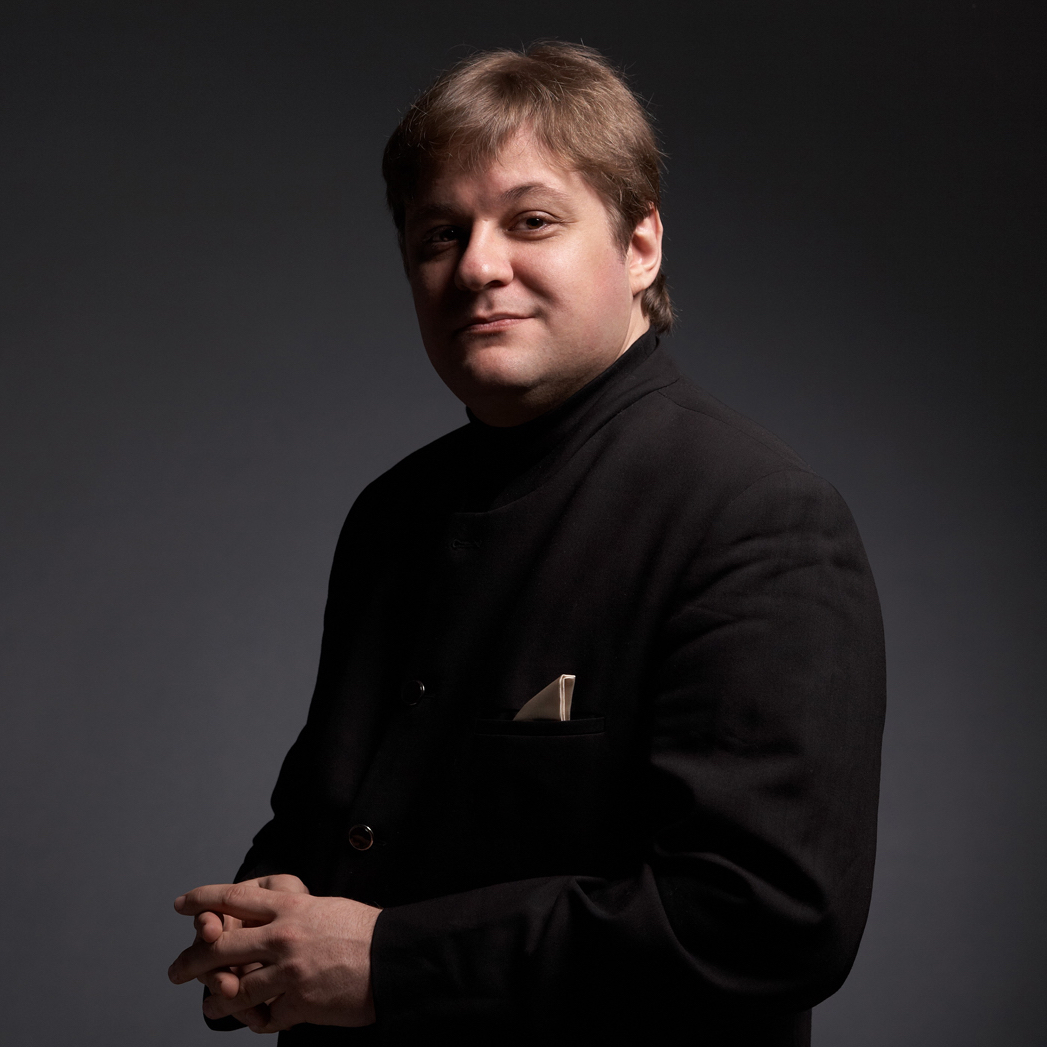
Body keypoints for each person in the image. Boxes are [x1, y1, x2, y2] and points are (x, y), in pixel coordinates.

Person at [168, 42, 885, 1046]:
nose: (476, 266)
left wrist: (388, 961)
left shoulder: (756, 516)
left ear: (642, 245)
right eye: (439, 233)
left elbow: (769, 921)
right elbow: (336, 820)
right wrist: (257, 924)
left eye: (531, 221)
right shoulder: (391, 514)